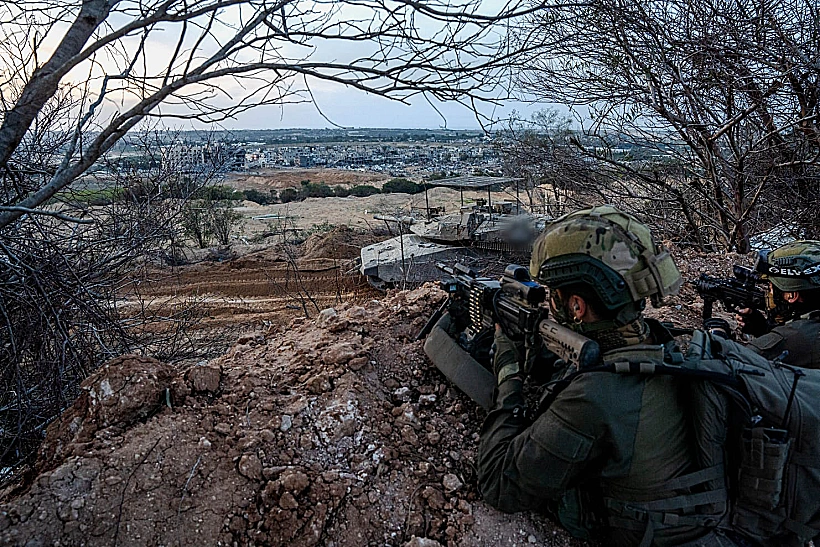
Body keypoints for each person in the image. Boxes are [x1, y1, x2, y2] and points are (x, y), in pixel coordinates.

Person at [477, 206, 734, 546]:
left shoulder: (596, 395)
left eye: (553, 295)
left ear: (577, 307)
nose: (549, 305)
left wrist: (508, 370)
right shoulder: (675, 346)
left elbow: (500, 485)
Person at [735, 240, 820, 368]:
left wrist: (717, 332)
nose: (768, 292)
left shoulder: (794, 337)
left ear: (791, 295)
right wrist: (763, 329)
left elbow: (732, 364)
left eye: (770, 287)